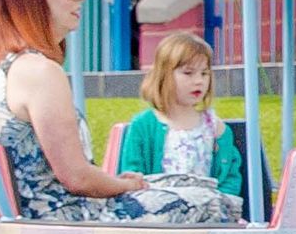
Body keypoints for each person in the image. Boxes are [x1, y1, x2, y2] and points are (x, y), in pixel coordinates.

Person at [0, 0, 232, 226]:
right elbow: (77, 178)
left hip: (42, 213)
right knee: (214, 202)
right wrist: (124, 186)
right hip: (65, 221)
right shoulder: (41, 73)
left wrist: (116, 181)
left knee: (193, 183)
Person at [109, 31, 256, 217]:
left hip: (207, 213)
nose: (199, 81)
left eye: (204, 73)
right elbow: (132, 174)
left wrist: (219, 204)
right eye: (188, 73)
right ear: (164, 76)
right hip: (158, 215)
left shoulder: (216, 129)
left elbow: (230, 177)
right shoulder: (143, 125)